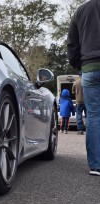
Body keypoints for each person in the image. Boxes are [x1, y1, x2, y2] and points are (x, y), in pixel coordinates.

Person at [67, 0, 100, 176]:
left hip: (90, 67)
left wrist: (79, 64)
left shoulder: (81, 10)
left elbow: (72, 43)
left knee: (94, 115)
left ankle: (96, 165)